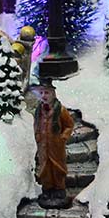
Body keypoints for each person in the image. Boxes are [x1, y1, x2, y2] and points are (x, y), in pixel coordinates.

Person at [32, 80, 75, 208]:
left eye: (47, 93)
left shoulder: (60, 110)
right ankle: (47, 188)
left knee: (58, 167)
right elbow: (36, 125)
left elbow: (69, 125)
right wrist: (37, 136)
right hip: (43, 145)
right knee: (45, 167)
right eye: (41, 93)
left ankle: (59, 189)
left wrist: (63, 137)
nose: (44, 96)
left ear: (53, 94)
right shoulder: (39, 111)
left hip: (56, 145)